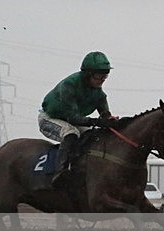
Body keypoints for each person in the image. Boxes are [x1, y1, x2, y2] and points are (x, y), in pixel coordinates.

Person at [38, 51, 117, 187]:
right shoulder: (69, 85)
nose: (103, 78)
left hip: (71, 120)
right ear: (88, 74)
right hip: (50, 118)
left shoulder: (99, 94)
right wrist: (96, 121)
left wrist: (110, 120)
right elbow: (73, 118)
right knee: (71, 133)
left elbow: (105, 115)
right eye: (99, 75)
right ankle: (60, 172)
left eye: (105, 75)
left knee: (91, 135)